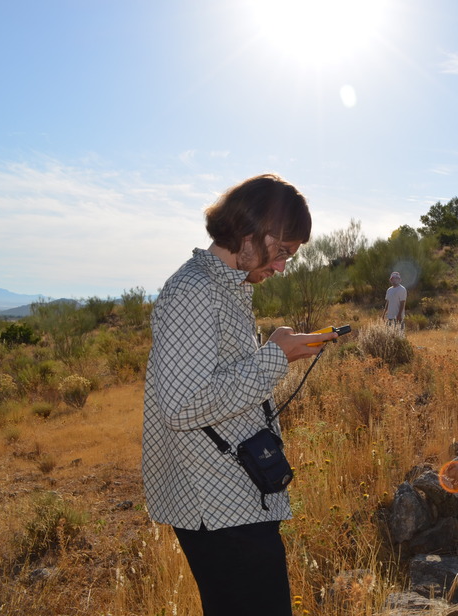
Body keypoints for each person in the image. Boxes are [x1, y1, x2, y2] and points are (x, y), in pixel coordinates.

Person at [142, 174, 337, 616]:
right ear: (250, 234)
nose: (284, 266)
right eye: (283, 250)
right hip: (214, 503)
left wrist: (278, 352)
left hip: (236, 491)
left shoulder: (228, 287)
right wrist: (273, 357)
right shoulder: (194, 291)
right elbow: (183, 405)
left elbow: (217, 381)